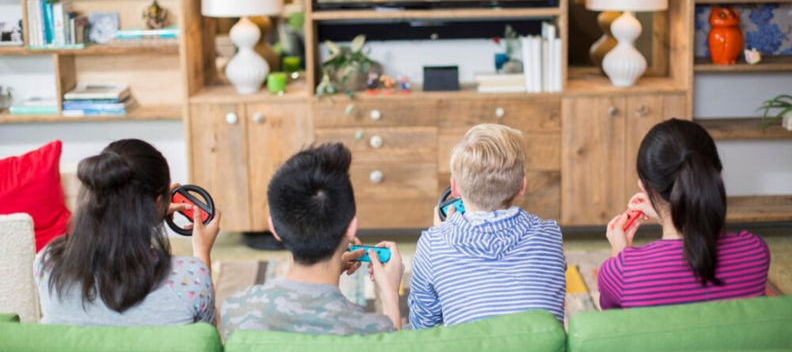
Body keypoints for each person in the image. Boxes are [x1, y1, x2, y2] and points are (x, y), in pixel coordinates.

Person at [221, 143, 404, 338]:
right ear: (351, 227)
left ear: (274, 228)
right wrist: (390, 295)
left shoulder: (235, 310)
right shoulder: (373, 329)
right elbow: (395, 344)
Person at [36, 139, 221, 325]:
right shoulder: (189, 277)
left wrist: (153, 209)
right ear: (158, 202)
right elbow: (206, 336)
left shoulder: (47, 264)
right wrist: (202, 254)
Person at [599, 119, 770, 310]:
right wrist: (668, 217)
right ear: (717, 176)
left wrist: (619, 254)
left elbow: (612, 324)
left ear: (646, 188)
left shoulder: (622, 271)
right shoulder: (756, 251)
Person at [409, 124, 566, 328]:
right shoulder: (550, 235)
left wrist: (441, 235)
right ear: (522, 185)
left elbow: (424, 326)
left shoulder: (432, 244)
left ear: (455, 188)